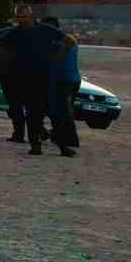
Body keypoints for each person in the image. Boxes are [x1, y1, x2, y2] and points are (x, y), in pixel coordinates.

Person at [0, 4, 68, 155]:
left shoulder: (45, 29)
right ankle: (35, 145)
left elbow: (70, 40)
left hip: (44, 77)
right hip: (22, 78)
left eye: (24, 17)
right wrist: (8, 58)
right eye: (19, 17)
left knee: (52, 112)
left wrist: (58, 57)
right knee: (32, 112)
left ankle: (62, 146)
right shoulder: (14, 33)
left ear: (31, 16)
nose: (21, 20)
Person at [42, 16, 81, 157]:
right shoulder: (67, 39)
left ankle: (67, 139)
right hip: (72, 79)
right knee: (64, 110)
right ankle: (65, 138)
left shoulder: (58, 42)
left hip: (64, 80)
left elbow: (54, 60)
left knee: (62, 111)